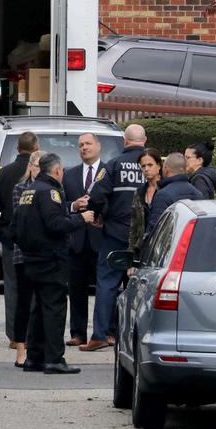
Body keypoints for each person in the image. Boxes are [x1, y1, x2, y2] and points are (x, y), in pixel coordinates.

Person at [13, 152, 95, 374]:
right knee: (54, 309)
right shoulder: (50, 191)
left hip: (31, 258)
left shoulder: (29, 190)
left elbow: (17, 225)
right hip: (50, 259)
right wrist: (82, 219)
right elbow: (55, 224)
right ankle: (54, 359)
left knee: (39, 309)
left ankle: (35, 358)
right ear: (57, 170)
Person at [82, 123, 147, 351]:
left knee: (107, 284)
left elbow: (97, 194)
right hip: (145, 239)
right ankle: (130, 337)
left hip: (115, 234)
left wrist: (97, 215)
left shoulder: (114, 164)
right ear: (144, 140)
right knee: (139, 288)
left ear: (125, 142)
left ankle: (101, 334)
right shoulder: (152, 164)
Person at [0, 131, 39, 347]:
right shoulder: (40, 173)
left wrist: (3, 235)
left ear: (18, 148)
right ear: (36, 148)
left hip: (11, 239)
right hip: (36, 241)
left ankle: (15, 336)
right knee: (35, 289)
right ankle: (32, 334)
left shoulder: (4, 173)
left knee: (12, 288)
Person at [62, 133, 103, 347]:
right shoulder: (70, 175)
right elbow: (61, 202)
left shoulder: (107, 172)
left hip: (100, 239)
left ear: (98, 146)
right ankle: (78, 333)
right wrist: (73, 206)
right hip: (76, 241)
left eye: (88, 144)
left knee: (104, 290)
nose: (84, 148)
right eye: (81, 145)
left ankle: (103, 332)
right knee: (76, 290)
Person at [10, 149, 45, 367]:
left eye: (44, 166)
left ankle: (39, 348)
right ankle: (20, 348)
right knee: (23, 302)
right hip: (23, 253)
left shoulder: (53, 187)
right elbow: (21, 218)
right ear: (30, 166)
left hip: (44, 255)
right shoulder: (20, 188)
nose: (40, 171)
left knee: (42, 304)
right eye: (38, 166)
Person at [144, 152, 205, 240]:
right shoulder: (198, 194)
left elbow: (155, 230)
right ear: (185, 169)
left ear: (166, 170)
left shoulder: (163, 195)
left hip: (172, 248)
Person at [128, 148, 163, 255]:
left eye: (150, 165)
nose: (146, 169)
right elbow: (134, 226)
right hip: (142, 248)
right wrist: (131, 254)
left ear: (159, 166)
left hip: (162, 247)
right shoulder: (139, 192)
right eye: (143, 166)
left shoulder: (166, 189)